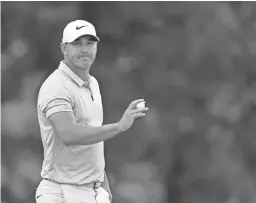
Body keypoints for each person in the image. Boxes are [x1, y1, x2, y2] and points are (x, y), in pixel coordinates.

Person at [35, 19, 148, 203]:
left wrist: (103, 183)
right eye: (77, 43)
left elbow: (91, 135)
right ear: (64, 48)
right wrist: (119, 126)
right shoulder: (56, 87)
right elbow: (69, 135)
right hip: (61, 193)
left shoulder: (93, 83)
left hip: (93, 192)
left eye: (90, 42)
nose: (84, 49)